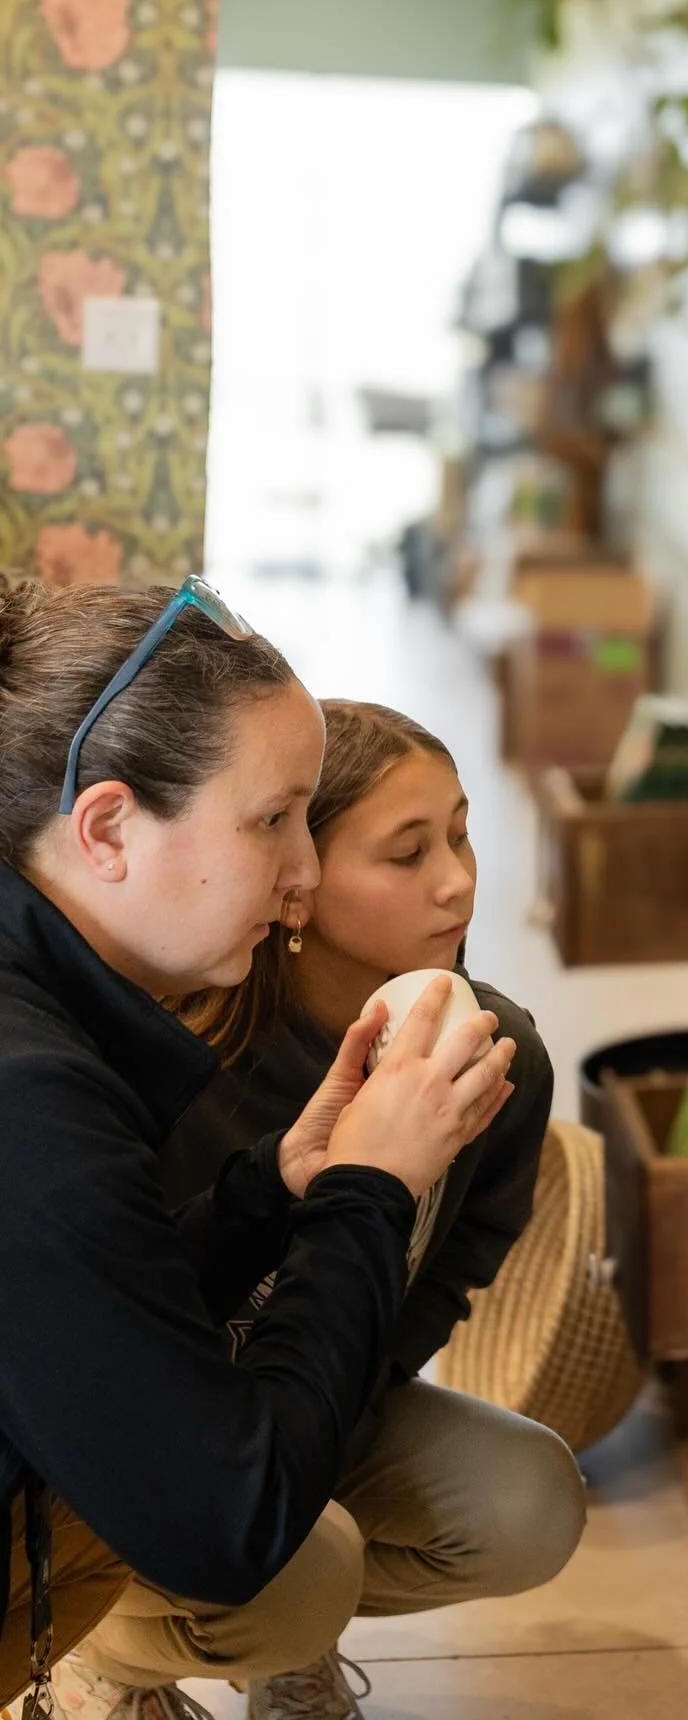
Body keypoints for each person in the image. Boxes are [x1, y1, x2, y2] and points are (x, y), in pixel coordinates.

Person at [0, 577, 531, 1720]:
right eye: (271, 820)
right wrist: (365, 1190)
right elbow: (227, 1526)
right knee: (295, 1559)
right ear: (105, 828)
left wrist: (272, 1189)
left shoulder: (51, 1026)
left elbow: (96, 1313)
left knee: (519, 1496)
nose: (301, 875)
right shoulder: (33, 1094)